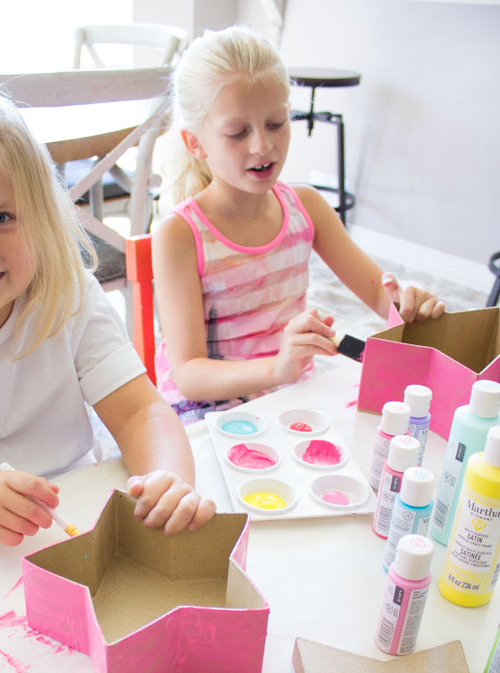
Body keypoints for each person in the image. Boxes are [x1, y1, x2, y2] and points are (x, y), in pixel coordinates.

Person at [0, 77, 216, 554]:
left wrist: (169, 478)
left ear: (41, 216)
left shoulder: (66, 294)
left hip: (69, 526)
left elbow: (141, 412)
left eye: (1, 217)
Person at [152, 26, 445, 423]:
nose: (262, 146)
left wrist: (408, 304)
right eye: (238, 133)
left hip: (289, 393)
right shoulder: (179, 234)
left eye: (276, 123)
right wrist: (278, 367)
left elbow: (381, 297)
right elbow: (189, 375)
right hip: (208, 411)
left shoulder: (305, 206)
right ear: (195, 143)